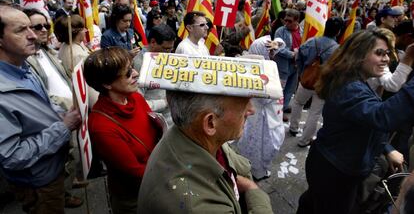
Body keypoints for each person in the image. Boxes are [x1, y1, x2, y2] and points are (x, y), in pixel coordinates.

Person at [297, 29, 414, 214]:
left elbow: (365, 122)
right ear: (358, 56)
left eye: (387, 54)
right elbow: (381, 117)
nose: (386, 59)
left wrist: (387, 149)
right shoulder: (350, 87)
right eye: (379, 53)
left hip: (333, 164)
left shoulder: (354, 81)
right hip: (335, 170)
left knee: (314, 203)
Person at [0, 5, 81, 213]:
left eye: (31, 28)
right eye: (20, 30)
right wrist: (62, 128)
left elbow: (41, 109)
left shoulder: (24, 66)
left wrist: (61, 114)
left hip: (52, 171)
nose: (33, 36)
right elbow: (12, 157)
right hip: (38, 183)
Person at [138, 90, 273, 213]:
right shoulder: (200, 208)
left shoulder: (187, 133)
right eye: (243, 103)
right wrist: (253, 190)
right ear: (210, 123)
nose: (251, 110)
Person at [83, 47, 163, 214]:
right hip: (135, 197)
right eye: (127, 73)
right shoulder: (101, 126)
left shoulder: (136, 97)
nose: (135, 73)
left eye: (132, 67)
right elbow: (135, 172)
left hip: (159, 181)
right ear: (107, 84)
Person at [236, 35, 286, 180]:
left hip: (265, 117)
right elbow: (265, 99)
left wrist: (276, 43)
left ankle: (258, 170)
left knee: (262, 146)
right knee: (259, 148)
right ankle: (256, 173)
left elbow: (281, 45)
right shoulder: (256, 72)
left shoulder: (266, 65)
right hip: (260, 119)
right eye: (269, 52)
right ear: (260, 53)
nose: (272, 55)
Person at [288, 17, 343, 146]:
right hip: (323, 85)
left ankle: (293, 128)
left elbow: (299, 58)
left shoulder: (311, 41)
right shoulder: (338, 50)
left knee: (298, 103)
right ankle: (304, 140)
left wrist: (302, 74)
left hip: (306, 80)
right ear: (338, 31)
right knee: (315, 112)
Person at [133, 24, 176, 127]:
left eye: (171, 49)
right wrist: (164, 102)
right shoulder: (140, 65)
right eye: (166, 49)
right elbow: (138, 103)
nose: (169, 53)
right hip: (155, 123)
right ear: (153, 42)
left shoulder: (162, 57)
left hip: (170, 119)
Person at [54, 14, 99, 107]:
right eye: (83, 29)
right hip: (88, 99)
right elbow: (88, 84)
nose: (85, 31)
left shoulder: (67, 45)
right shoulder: (77, 54)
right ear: (76, 32)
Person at [274, 8, 303, 120]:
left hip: (296, 66)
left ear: (297, 21)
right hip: (283, 66)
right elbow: (278, 49)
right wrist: (293, 54)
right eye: (285, 20)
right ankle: (277, 111)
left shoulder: (302, 31)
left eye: (290, 21)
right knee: (280, 90)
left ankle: (283, 108)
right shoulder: (280, 31)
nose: (286, 23)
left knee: (290, 89)